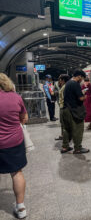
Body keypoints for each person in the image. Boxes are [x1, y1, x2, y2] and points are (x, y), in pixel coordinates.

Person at [0, 73, 28, 219]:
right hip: (13, 142)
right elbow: (24, 118)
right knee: (16, 173)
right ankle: (21, 207)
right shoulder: (16, 97)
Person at [61, 70, 90, 154]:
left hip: (65, 109)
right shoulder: (75, 84)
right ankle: (78, 148)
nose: (82, 80)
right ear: (79, 76)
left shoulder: (68, 83)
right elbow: (81, 98)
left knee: (67, 129)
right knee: (78, 129)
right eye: (82, 78)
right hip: (73, 111)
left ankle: (65, 147)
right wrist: (85, 96)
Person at [55, 74, 70, 141]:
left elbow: (66, 98)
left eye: (60, 79)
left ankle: (65, 137)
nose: (59, 81)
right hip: (62, 106)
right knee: (62, 123)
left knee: (64, 123)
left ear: (63, 80)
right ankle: (63, 135)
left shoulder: (65, 87)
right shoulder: (64, 86)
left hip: (64, 107)